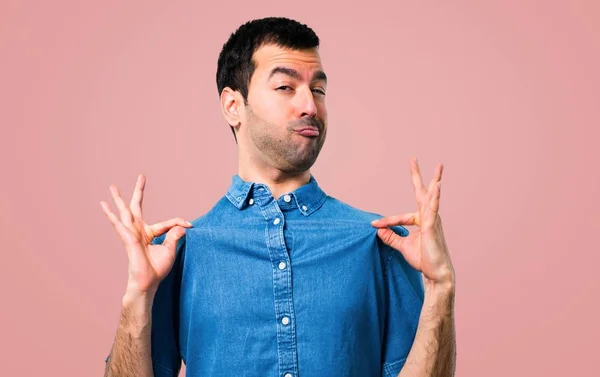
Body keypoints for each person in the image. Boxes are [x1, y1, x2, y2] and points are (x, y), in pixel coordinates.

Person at [101, 17, 456, 377]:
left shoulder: (379, 241)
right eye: (286, 87)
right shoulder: (180, 249)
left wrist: (440, 287)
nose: (310, 107)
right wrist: (138, 295)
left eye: (318, 90)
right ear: (232, 106)